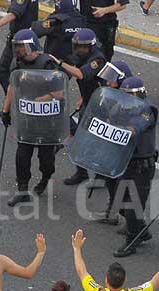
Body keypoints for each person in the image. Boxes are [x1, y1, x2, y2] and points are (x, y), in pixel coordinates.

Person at [0, 29, 62, 206]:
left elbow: (58, 94)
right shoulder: (18, 63)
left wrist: (39, 99)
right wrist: (6, 110)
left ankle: (45, 177)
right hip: (27, 118)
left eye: (21, 47)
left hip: (47, 119)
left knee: (46, 159)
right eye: (15, 47)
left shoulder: (47, 63)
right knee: (22, 155)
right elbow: (12, 86)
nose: (17, 50)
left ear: (31, 45)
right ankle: (22, 190)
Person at [109, 77, 159, 257]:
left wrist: (115, 130)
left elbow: (133, 130)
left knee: (133, 207)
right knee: (120, 200)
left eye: (127, 96)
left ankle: (131, 241)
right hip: (126, 162)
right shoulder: (122, 107)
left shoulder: (147, 110)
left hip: (142, 167)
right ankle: (142, 231)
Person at [51, 28, 106, 186]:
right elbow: (92, 81)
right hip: (89, 101)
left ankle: (102, 175)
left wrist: (61, 63)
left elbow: (83, 74)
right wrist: (83, 97)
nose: (78, 50)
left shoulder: (97, 59)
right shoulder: (83, 56)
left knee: (95, 141)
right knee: (79, 138)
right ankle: (82, 172)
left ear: (90, 46)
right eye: (76, 46)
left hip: (100, 107)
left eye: (82, 47)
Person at [93, 60, 135, 226]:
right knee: (110, 179)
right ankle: (112, 212)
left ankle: (132, 223)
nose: (108, 82)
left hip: (126, 150)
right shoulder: (112, 94)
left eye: (112, 79)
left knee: (122, 185)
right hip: (112, 146)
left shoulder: (131, 97)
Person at [0, 0, 39, 93]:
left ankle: (16, 98)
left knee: (5, 70)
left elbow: (14, 13)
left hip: (20, 41)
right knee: (13, 71)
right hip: (26, 38)